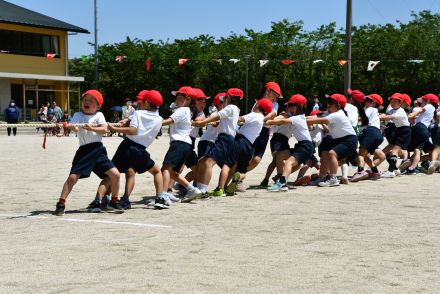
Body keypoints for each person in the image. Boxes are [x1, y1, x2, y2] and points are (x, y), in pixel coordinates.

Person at [54, 90, 121, 216]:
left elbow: (104, 129)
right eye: (85, 100)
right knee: (73, 177)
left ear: (98, 105)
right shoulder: (78, 115)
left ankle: (114, 200)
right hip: (84, 151)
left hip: (98, 150)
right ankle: (61, 203)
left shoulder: (99, 115)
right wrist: (71, 127)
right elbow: (73, 127)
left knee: (115, 175)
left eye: (90, 100)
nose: (87, 102)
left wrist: (91, 128)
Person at [105, 90, 165, 209]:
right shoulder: (160, 119)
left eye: (142, 101)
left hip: (127, 145)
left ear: (147, 103)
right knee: (149, 172)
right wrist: (128, 120)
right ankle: (159, 197)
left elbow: (133, 130)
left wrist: (115, 128)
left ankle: (104, 198)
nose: (139, 103)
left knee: (113, 172)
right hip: (141, 150)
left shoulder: (138, 113)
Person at [155, 86, 202, 208]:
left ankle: (163, 195)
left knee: (165, 169)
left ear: (187, 98)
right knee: (173, 173)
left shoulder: (182, 110)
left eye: (178, 96)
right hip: (185, 144)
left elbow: (167, 122)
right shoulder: (187, 111)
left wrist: (150, 122)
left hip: (179, 143)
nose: (176, 99)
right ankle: (191, 189)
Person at [193, 88, 243, 197]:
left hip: (225, 139)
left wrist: (202, 122)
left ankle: (202, 191)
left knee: (208, 163)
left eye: (224, 98)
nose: (223, 101)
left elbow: (216, 116)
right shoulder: (234, 109)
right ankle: (199, 188)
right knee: (202, 161)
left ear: (229, 98)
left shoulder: (231, 107)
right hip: (224, 138)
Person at [306, 93, 358, 187]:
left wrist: (295, 121)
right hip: (340, 139)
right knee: (325, 153)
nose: (328, 105)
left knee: (332, 153)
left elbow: (318, 120)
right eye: (328, 102)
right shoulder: (330, 113)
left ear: (338, 106)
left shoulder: (338, 114)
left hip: (349, 140)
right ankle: (322, 177)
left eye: (331, 103)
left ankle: (333, 179)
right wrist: (295, 118)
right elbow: (314, 117)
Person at [223, 98, 272, 196]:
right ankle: (239, 177)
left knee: (230, 164)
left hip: (240, 141)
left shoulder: (254, 115)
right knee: (243, 171)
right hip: (249, 147)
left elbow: (240, 119)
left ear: (257, 106)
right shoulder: (261, 119)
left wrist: (227, 117)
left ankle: (222, 186)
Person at [266, 94, 315, 191]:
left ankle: (282, 183)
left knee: (288, 162)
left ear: (300, 107)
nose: (290, 108)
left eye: (293, 106)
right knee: (281, 156)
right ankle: (281, 179)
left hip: (306, 146)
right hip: (302, 145)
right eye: (290, 106)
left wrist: (267, 121)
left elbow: (283, 121)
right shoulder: (299, 117)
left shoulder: (297, 118)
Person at [248, 82, 282, 188]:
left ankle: (240, 173)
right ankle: (239, 176)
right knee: (248, 156)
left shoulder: (275, 104)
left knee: (257, 159)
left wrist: (261, 119)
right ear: (268, 91)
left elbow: (273, 113)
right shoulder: (257, 102)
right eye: (275, 94)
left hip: (263, 133)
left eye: (277, 96)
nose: (276, 97)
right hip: (253, 131)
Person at [379, 93, 411, 177]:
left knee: (394, 151)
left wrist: (379, 117)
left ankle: (390, 171)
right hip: (399, 130)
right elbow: (386, 114)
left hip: (404, 131)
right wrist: (381, 115)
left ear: (400, 103)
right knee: (387, 152)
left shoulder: (400, 111)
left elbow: (389, 117)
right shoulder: (393, 110)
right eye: (391, 101)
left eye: (395, 101)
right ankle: (395, 169)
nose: (392, 103)